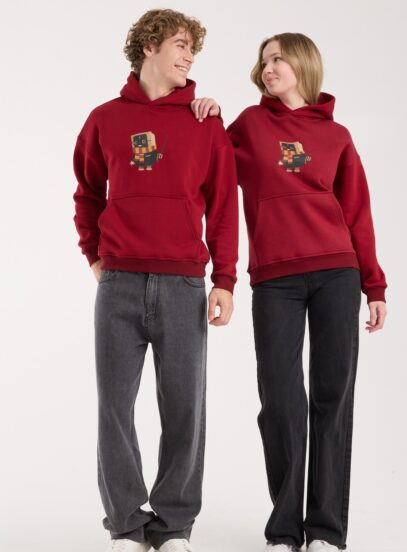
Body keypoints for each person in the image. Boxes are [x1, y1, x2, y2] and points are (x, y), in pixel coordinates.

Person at [191, 33, 387, 552]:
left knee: (332, 397)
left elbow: (357, 214)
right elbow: (211, 164)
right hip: (275, 278)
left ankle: (325, 530)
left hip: (337, 273)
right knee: (279, 401)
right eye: (264, 60)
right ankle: (284, 531)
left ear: (302, 64)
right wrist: (209, 115)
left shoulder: (337, 136)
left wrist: (374, 284)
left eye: (277, 58)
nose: (268, 67)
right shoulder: (250, 125)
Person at [73, 9, 238, 552]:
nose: (190, 56)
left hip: (184, 285)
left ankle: (173, 527)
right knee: (114, 407)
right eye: (181, 45)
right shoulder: (104, 119)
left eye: (193, 49)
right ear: (149, 46)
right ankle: (126, 524)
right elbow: (87, 193)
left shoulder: (205, 121)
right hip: (118, 284)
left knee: (185, 409)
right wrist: (94, 255)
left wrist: (225, 278)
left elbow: (223, 206)